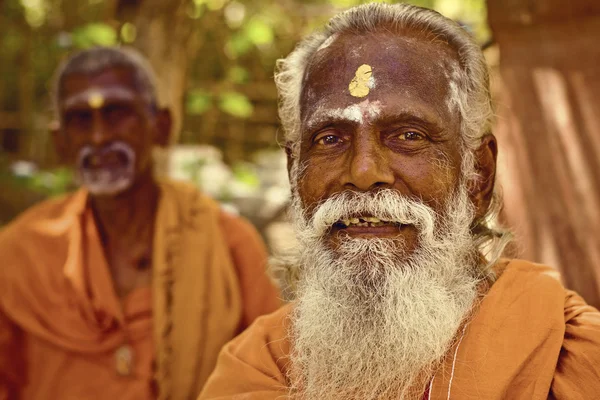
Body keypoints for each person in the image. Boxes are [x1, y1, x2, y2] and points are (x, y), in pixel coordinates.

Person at [199, 3, 600, 399]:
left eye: (408, 135)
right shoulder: (257, 367)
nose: (364, 172)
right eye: (330, 139)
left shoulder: (572, 356)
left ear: (477, 176)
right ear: (293, 173)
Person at [0, 46, 281, 400]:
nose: (99, 137)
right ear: (61, 141)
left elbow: (270, 373)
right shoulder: (19, 252)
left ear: (161, 127)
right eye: (81, 120)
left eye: (118, 115)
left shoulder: (227, 244)